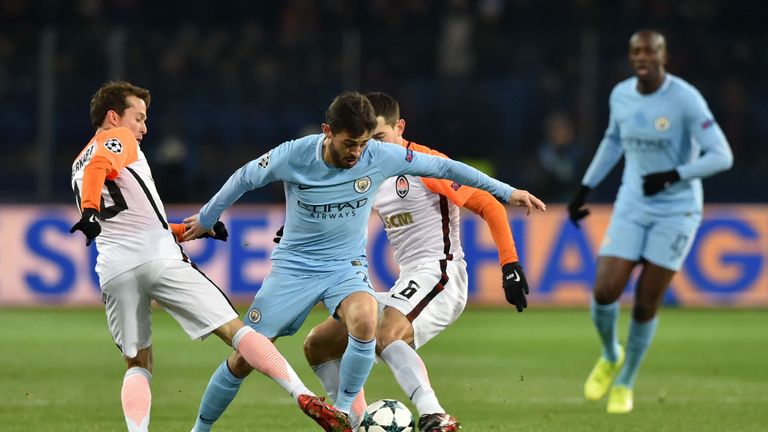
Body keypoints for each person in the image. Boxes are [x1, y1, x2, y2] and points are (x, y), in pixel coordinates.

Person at [183, 91, 546, 431]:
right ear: (327, 133)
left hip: (353, 269)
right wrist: (206, 218)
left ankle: (346, 414)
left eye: (364, 142)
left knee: (367, 319)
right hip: (295, 268)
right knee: (265, 353)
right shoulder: (294, 155)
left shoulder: (382, 156)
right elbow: (245, 177)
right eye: (350, 143)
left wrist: (507, 192)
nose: (358, 152)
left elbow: (451, 171)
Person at [69, 81, 347, 432]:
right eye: (138, 118)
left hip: (113, 268)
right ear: (114, 117)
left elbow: (132, 218)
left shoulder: (76, 164)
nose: (143, 127)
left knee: (137, 363)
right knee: (237, 332)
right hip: (157, 257)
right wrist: (92, 209)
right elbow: (101, 168)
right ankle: (303, 394)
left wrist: (188, 230)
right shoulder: (116, 139)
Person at [300, 91, 532, 432]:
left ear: (400, 128)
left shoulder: (423, 163)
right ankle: (349, 420)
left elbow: (489, 204)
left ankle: (435, 415)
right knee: (318, 344)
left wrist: (510, 264)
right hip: (408, 280)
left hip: (441, 274)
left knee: (386, 333)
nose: (371, 148)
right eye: (366, 141)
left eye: (379, 137)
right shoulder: (367, 168)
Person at [567, 31, 733, 414]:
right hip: (633, 204)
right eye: (635, 51)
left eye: (650, 50)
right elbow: (612, 141)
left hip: (677, 211)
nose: (642, 56)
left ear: (664, 56)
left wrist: (675, 174)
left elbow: (722, 155)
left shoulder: (685, 99)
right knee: (606, 289)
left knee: (646, 303)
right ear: (630, 57)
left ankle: (625, 383)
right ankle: (611, 355)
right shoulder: (621, 94)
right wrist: (584, 189)